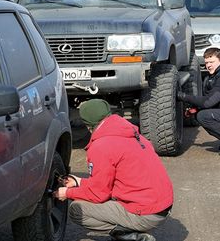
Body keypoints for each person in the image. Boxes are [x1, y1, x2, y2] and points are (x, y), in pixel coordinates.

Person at [53, 99, 173, 241]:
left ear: (88, 125)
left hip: (146, 212)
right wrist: (79, 182)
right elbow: (110, 182)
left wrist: (67, 193)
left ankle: (133, 237)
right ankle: (130, 230)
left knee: (77, 210)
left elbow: (99, 194)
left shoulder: (101, 146)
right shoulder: (131, 134)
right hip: (160, 206)